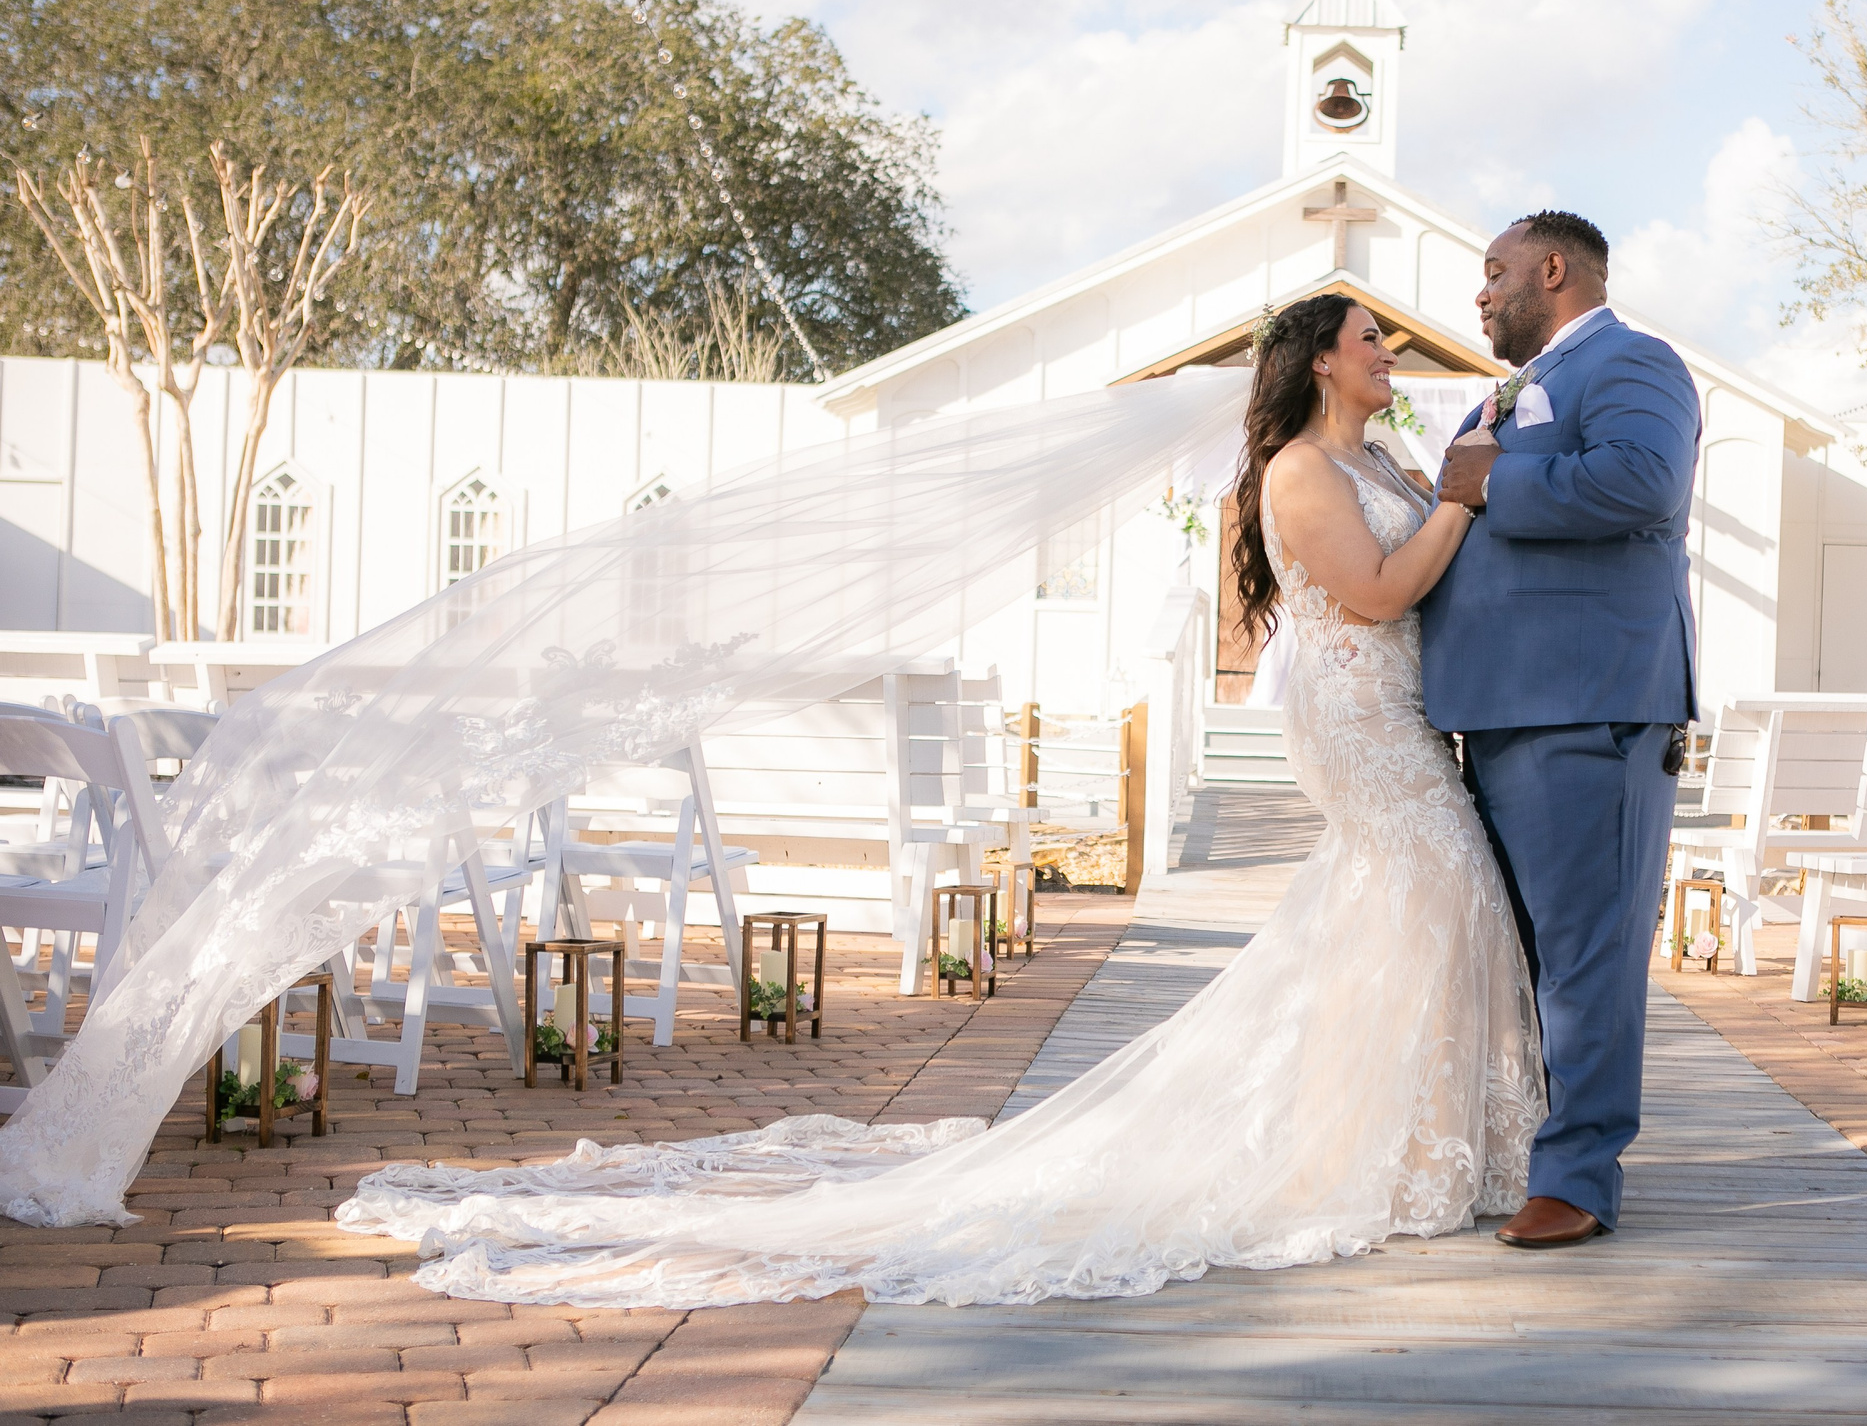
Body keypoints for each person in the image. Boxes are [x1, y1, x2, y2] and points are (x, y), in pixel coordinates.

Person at [336, 290, 1545, 1309]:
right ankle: (1380, 1154)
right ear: (1322, 360)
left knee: (1411, 911)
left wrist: (1453, 492)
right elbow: (1381, 592)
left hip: (1401, 717)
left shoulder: (1377, 457)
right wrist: (1457, 496)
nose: (1391, 352)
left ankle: (1393, 1144)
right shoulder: (1296, 470)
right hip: (1356, 722)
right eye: (1370, 340)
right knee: (1435, 888)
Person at [1423, 209, 1702, 1250]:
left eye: (1493, 272)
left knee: (1586, 959)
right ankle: (1530, 1149)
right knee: (1527, 958)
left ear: (1554, 269)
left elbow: (1641, 480)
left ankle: (1578, 1176)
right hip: (1493, 712)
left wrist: (1492, 478)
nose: (1481, 293)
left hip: (1584, 708)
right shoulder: (1501, 393)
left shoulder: (1633, 360)